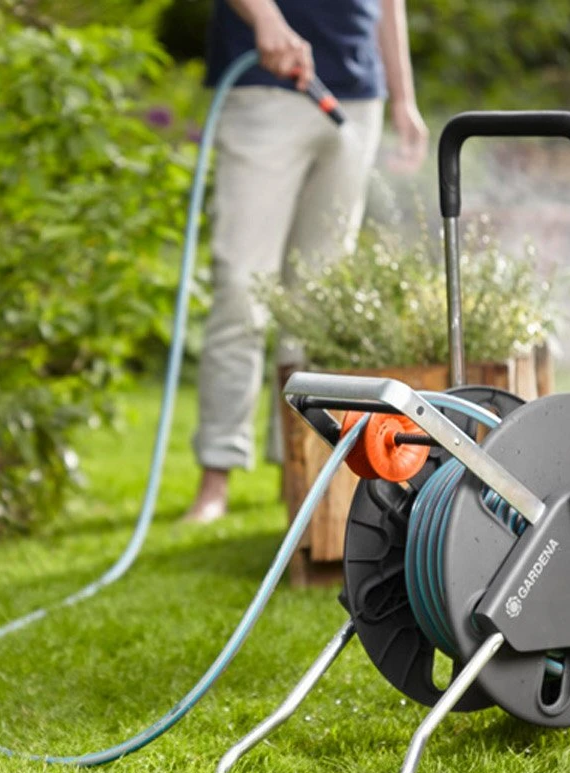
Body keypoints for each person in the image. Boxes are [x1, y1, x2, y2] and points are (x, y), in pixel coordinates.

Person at [184, 0, 429, 524]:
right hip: (266, 85)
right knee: (241, 289)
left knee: (315, 305)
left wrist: (403, 98)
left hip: (357, 94)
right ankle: (216, 476)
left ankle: (298, 477)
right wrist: (266, 19)